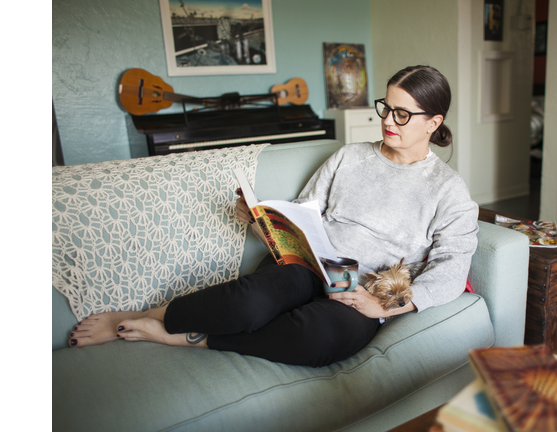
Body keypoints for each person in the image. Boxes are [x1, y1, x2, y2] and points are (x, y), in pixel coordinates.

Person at [69, 65, 479, 368]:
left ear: (434, 122)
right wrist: (263, 220)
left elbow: (452, 266)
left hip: (362, 290)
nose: (388, 121)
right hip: (306, 265)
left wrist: (386, 307)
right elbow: (306, 214)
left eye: (402, 114)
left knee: (316, 337)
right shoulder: (349, 157)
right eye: (385, 108)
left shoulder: (448, 190)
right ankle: (143, 316)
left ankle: (189, 339)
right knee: (249, 301)